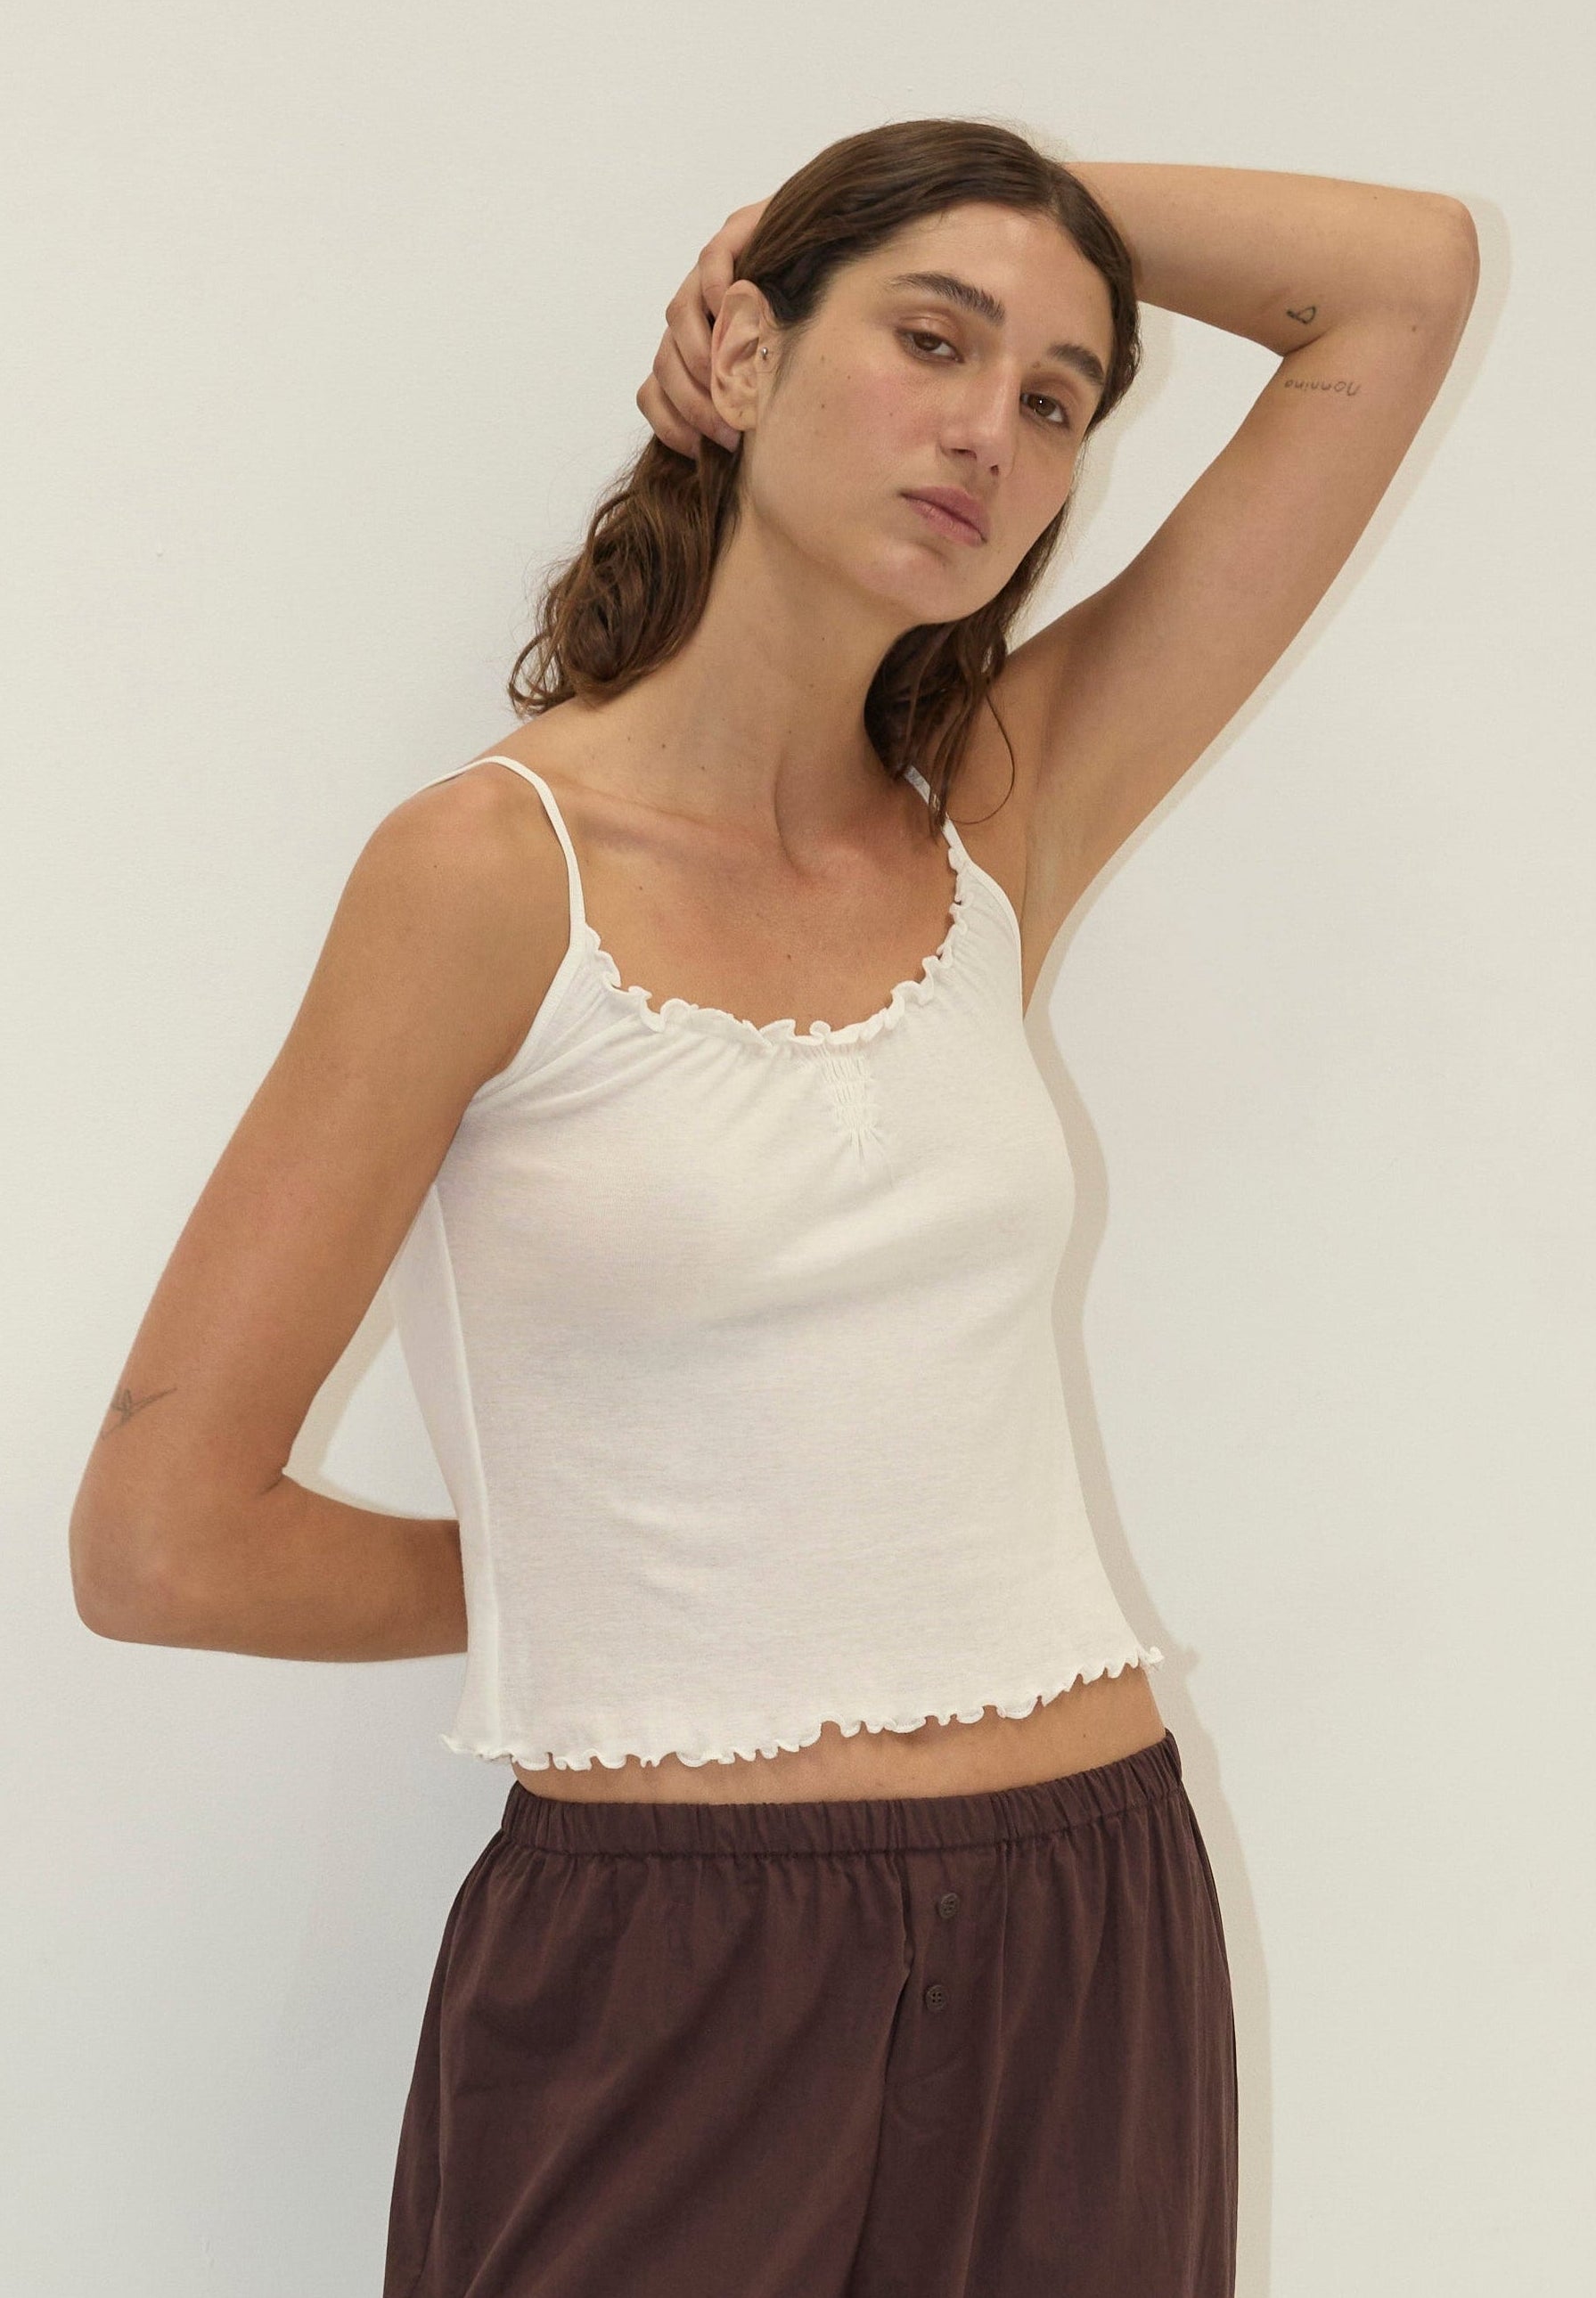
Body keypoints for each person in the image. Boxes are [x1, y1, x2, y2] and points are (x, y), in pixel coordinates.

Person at [69, 119, 1478, 2295]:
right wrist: (614, 1555)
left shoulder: (992, 825)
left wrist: (973, 174)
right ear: (735, 355)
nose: (989, 431)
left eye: (1053, 395)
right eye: (928, 336)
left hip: (1087, 1913)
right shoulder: (482, 874)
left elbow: (1393, 285)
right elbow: (162, 1534)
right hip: (668, 1959)